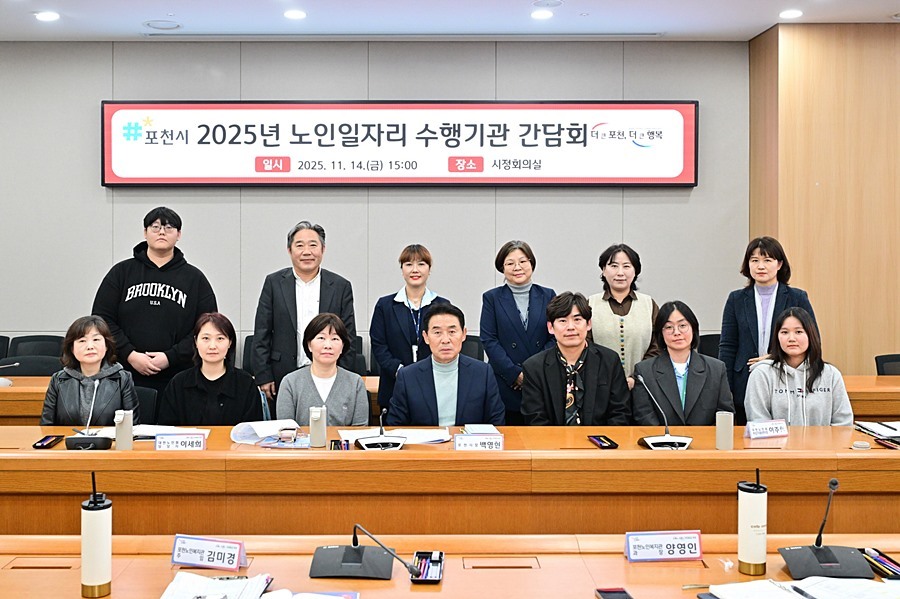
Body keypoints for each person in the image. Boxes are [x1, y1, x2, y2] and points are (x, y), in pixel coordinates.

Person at [92, 206, 218, 395]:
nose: (161, 232)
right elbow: (101, 319)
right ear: (145, 232)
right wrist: (129, 354)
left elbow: (208, 326)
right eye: (155, 227)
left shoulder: (195, 278)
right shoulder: (121, 273)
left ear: (179, 234)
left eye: (169, 228)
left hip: (179, 377)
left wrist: (171, 357)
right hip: (124, 375)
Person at [252, 221, 356, 404]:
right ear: (289, 250)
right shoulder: (274, 283)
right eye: (299, 245)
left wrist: (343, 377)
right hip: (282, 374)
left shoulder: (340, 286)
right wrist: (263, 375)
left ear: (323, 249)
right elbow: (262, 332)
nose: (306, 252)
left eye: (313, 245)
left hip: (329, 375)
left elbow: (348, 336)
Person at [719, 236, 817, 424]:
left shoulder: (797, 297)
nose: (760, 266)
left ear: (779, 264)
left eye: (767, 260)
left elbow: (812, 340)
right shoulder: (736, 299)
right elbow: (728, 346)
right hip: (744, 380)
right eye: (754, 260)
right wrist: (725, 388)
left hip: (786, 379)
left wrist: (775, 357)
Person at [521, 292, 630, 426]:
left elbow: (620, 412)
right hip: (551, 439)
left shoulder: (609, 361)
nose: (571, 327)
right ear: (550, 327)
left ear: (588, 324)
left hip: (601, 438)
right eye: (563, 321)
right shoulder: (534, 367)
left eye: (577, 319)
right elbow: (535, 418)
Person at [387, 303, 505, 427]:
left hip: (468, 439)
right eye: (437, 332)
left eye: (452, 331)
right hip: (425, 440)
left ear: (463, 334)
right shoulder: (407, 376)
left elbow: (497, 422)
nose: (445, 340)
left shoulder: (483, 373)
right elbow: (395, 426)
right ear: (426, 337)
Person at [480, 240, 556, 425]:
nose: (517, 267)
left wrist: (532, 373)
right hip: (505, 381)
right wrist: (514, 374)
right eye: (510, 263)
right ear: (502, 267)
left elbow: (555, 337)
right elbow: (489, 339)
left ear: (531, 263)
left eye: (522, 261)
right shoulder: (492, 298)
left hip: (540, 380)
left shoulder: (548, 295)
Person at [370, 244, 449, 412]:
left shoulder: (442, 305)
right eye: (408, 264)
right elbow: (378, 345)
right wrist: (399, 371)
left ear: (429, 269)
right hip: (394, 385)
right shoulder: (385, 305)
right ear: (402, 270)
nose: (415, 270)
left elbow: (447, 342)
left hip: (434, 383)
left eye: (421, 264)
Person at [632, 301, 734, 426]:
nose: (677, 332)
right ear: (661, 333)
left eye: (682, 325)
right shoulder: (644, 371)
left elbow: (725, 414)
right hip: (661, 438)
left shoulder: (716, 369)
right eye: (669, 327)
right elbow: (644, 416)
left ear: (693, 328)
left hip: (705, 438)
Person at [745, 308, 852, 426]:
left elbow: (843, 424)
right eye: (784, 332)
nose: (791, 338)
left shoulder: (830, 374)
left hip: (823, 439)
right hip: (777, 439)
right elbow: (758, 421)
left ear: (810, 335)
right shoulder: (762, 374)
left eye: (799, 332)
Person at [158, 313, 263, 426]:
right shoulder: (178, 384)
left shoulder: (246, 384)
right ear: (196, 342)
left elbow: (252, 431)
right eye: (206, 338)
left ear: (230, 342)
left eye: (220, 338)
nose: (212, 346)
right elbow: (166, 429)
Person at [41, 315, 139, 426]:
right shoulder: (58, 379)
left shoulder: (122, 379)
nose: (90, 346)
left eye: (96, 339)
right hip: (68, 438)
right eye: (82, 341)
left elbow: (131, 427)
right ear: (72, 348)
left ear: (106, 345)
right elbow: (46, 427)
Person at [588, 243, 660, 391]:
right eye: (614, 266)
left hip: (643, 386)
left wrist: (636, 377)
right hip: (601, 387)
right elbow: (585, 345)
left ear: (635, 271)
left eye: (626, 266)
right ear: (603, 270)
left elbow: (658, 345)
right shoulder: (590, 304)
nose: (620, 273)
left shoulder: (649, 304)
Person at [276, 313, 368, 426]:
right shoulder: (290, 382)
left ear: (342, 347)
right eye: (321, 338)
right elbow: (286, 430)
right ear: (309, 345)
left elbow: (360, 429)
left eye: (335, 339)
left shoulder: (355, 383)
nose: (327, 345)